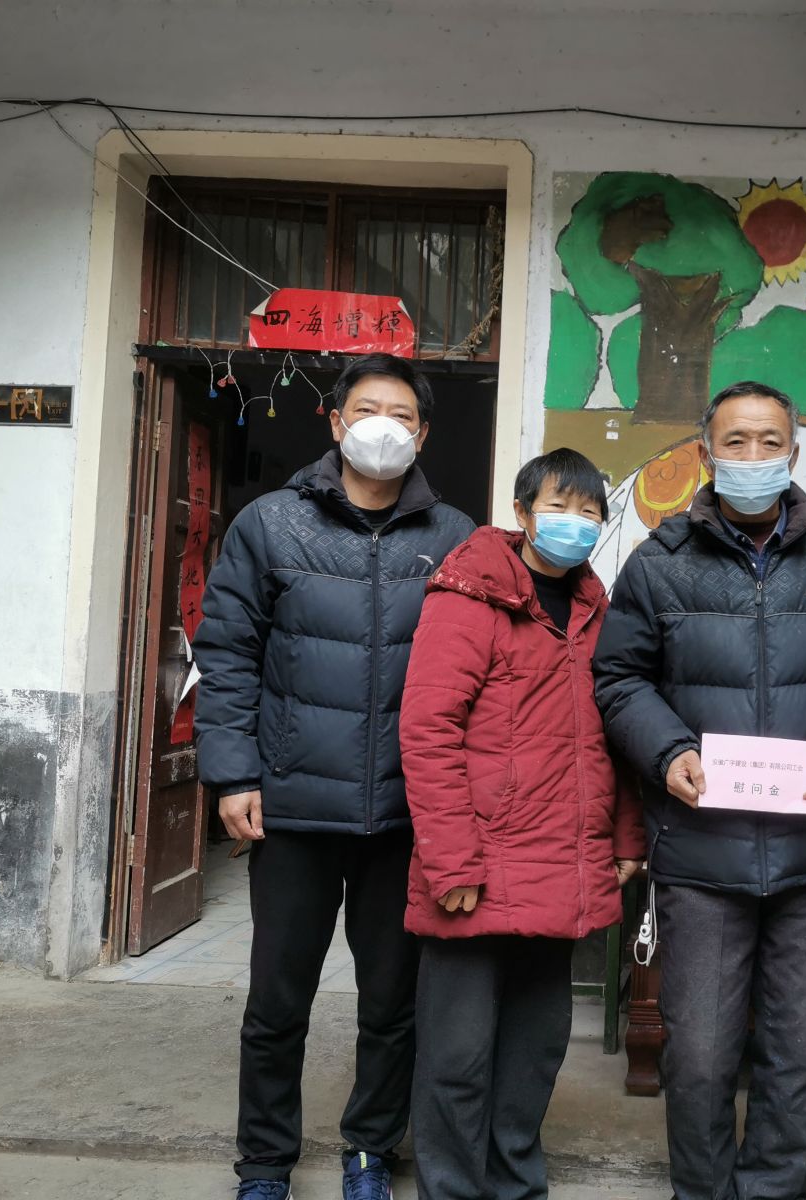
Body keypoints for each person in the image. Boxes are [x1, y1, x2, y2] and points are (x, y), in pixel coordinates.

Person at [593, 381, 806, 1200]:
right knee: (698, 1054)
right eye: (736, 442)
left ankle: (774, 1190)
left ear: (794, 453)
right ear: (706, 454)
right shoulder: (659, 564)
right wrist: (667, 751)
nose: (753, 457)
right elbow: (619, 677)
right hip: (699, 851)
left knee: (797, 1054)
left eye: (770, 442)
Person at [194, 353, 474, 1200]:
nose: (383, 425)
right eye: (368, 409)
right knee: (277, 1004)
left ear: (424, 434)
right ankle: (264, 1164)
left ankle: (369, 1151)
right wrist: (234, 773)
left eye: (402, 414)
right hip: (292, 808)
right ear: (336, 420)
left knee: (392, 1004)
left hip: (406, 813)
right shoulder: (271, 525)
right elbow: (228, 654)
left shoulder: (455, 537)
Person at [400, 447, 645, 1200]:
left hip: (564, 865)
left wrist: (625, 838)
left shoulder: (599, 612)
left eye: (589, 511)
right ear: (522, 512)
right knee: (457, 1057)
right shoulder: (469, 597)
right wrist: (452, 861)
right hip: (476, 864)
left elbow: (616, 734)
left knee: (536, 1052)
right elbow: (428, 730)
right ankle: (451, 1188)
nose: (575, 522)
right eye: (558, 507)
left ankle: (515, 1185)